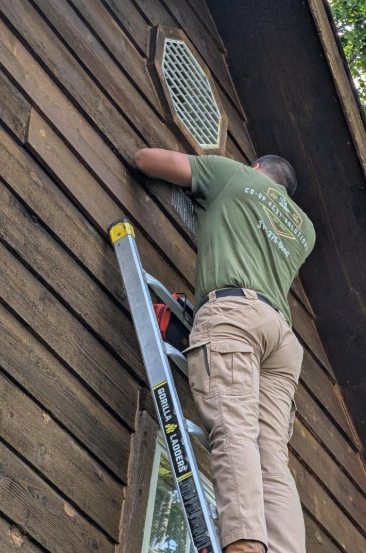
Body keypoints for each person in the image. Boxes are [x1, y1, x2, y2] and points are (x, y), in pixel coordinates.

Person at [134, 148, 316, 553]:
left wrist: (209, 178)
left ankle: (246, 545)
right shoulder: (304, 229)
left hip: (235, 315)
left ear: (255, 169)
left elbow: (146, 159)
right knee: (271, 458)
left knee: (234, 429)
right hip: (281, 341)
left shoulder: (232, 175)